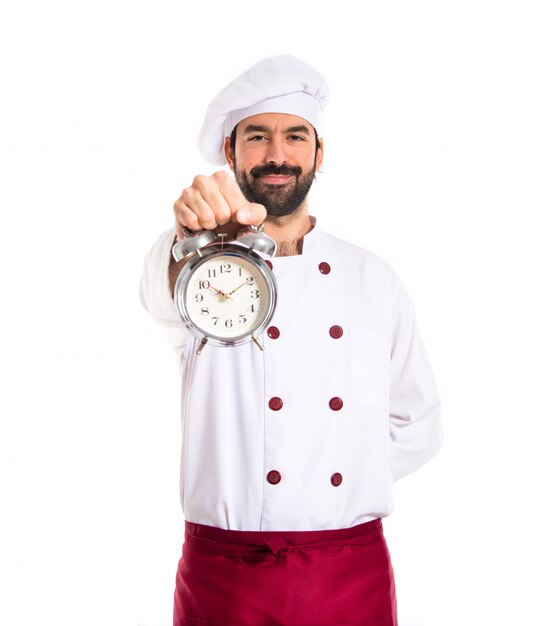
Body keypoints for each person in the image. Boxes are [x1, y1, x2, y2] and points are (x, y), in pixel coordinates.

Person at [140, 54, 442, 626]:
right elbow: (160, 292)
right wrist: (189, 235)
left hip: (350, 572)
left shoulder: (373, 279)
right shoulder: (202, 266)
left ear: (318, 153)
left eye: (294, 136)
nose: (277, 155)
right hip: (223, 576)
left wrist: (331, 473)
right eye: (257, 136)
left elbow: (419, 424)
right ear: (230, 153)